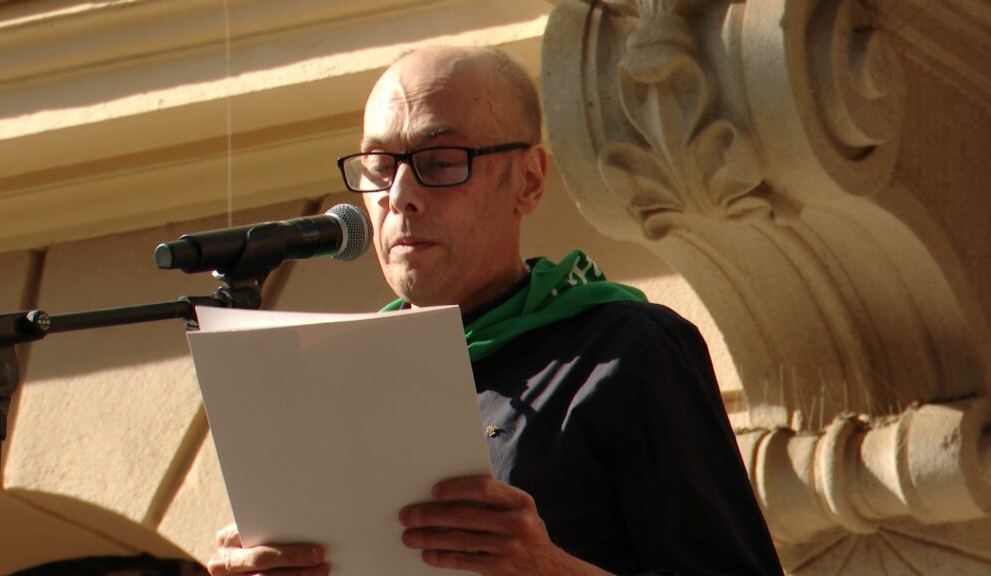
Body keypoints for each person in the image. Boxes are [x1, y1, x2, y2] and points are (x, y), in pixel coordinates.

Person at [208, 46, 783, 575]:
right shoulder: (328, 381)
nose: (401, 194)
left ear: (529, 181)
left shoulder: (627, 351)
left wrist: (548, 568)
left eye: (440, 159)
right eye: (381, 165)